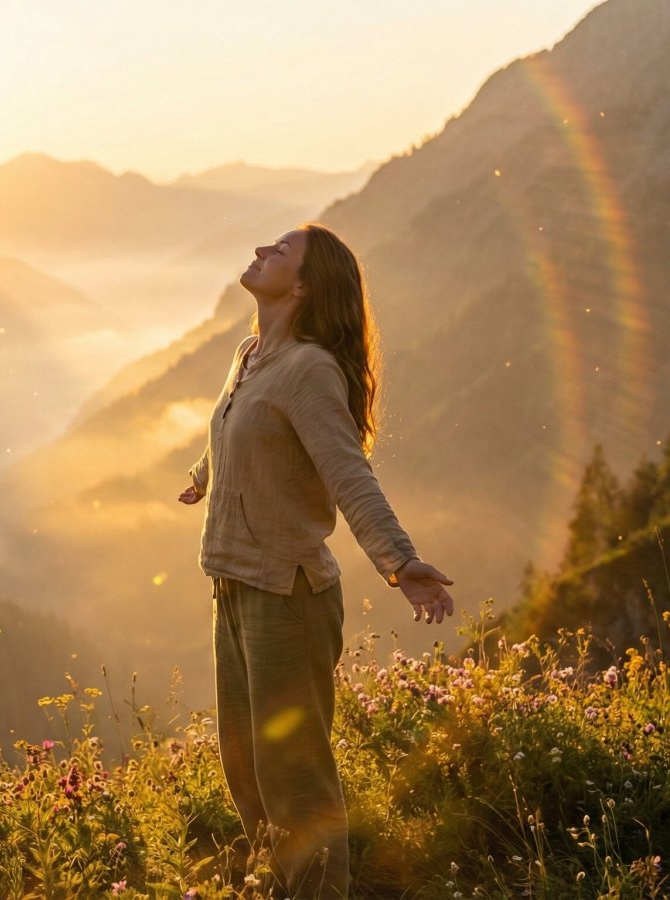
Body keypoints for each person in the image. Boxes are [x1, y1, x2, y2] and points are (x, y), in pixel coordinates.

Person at [177, 223, 454, 897]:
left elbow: (345, 471)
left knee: (296, 780)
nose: (261, 251)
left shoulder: (310, 370)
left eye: (281, 252)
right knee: (244, 770)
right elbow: (236, 429)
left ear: (302, 285)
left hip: (286, 597)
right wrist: (204, 476)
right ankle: (287, 887)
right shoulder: (250, 354)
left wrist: (399, 561)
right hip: (234, 588)